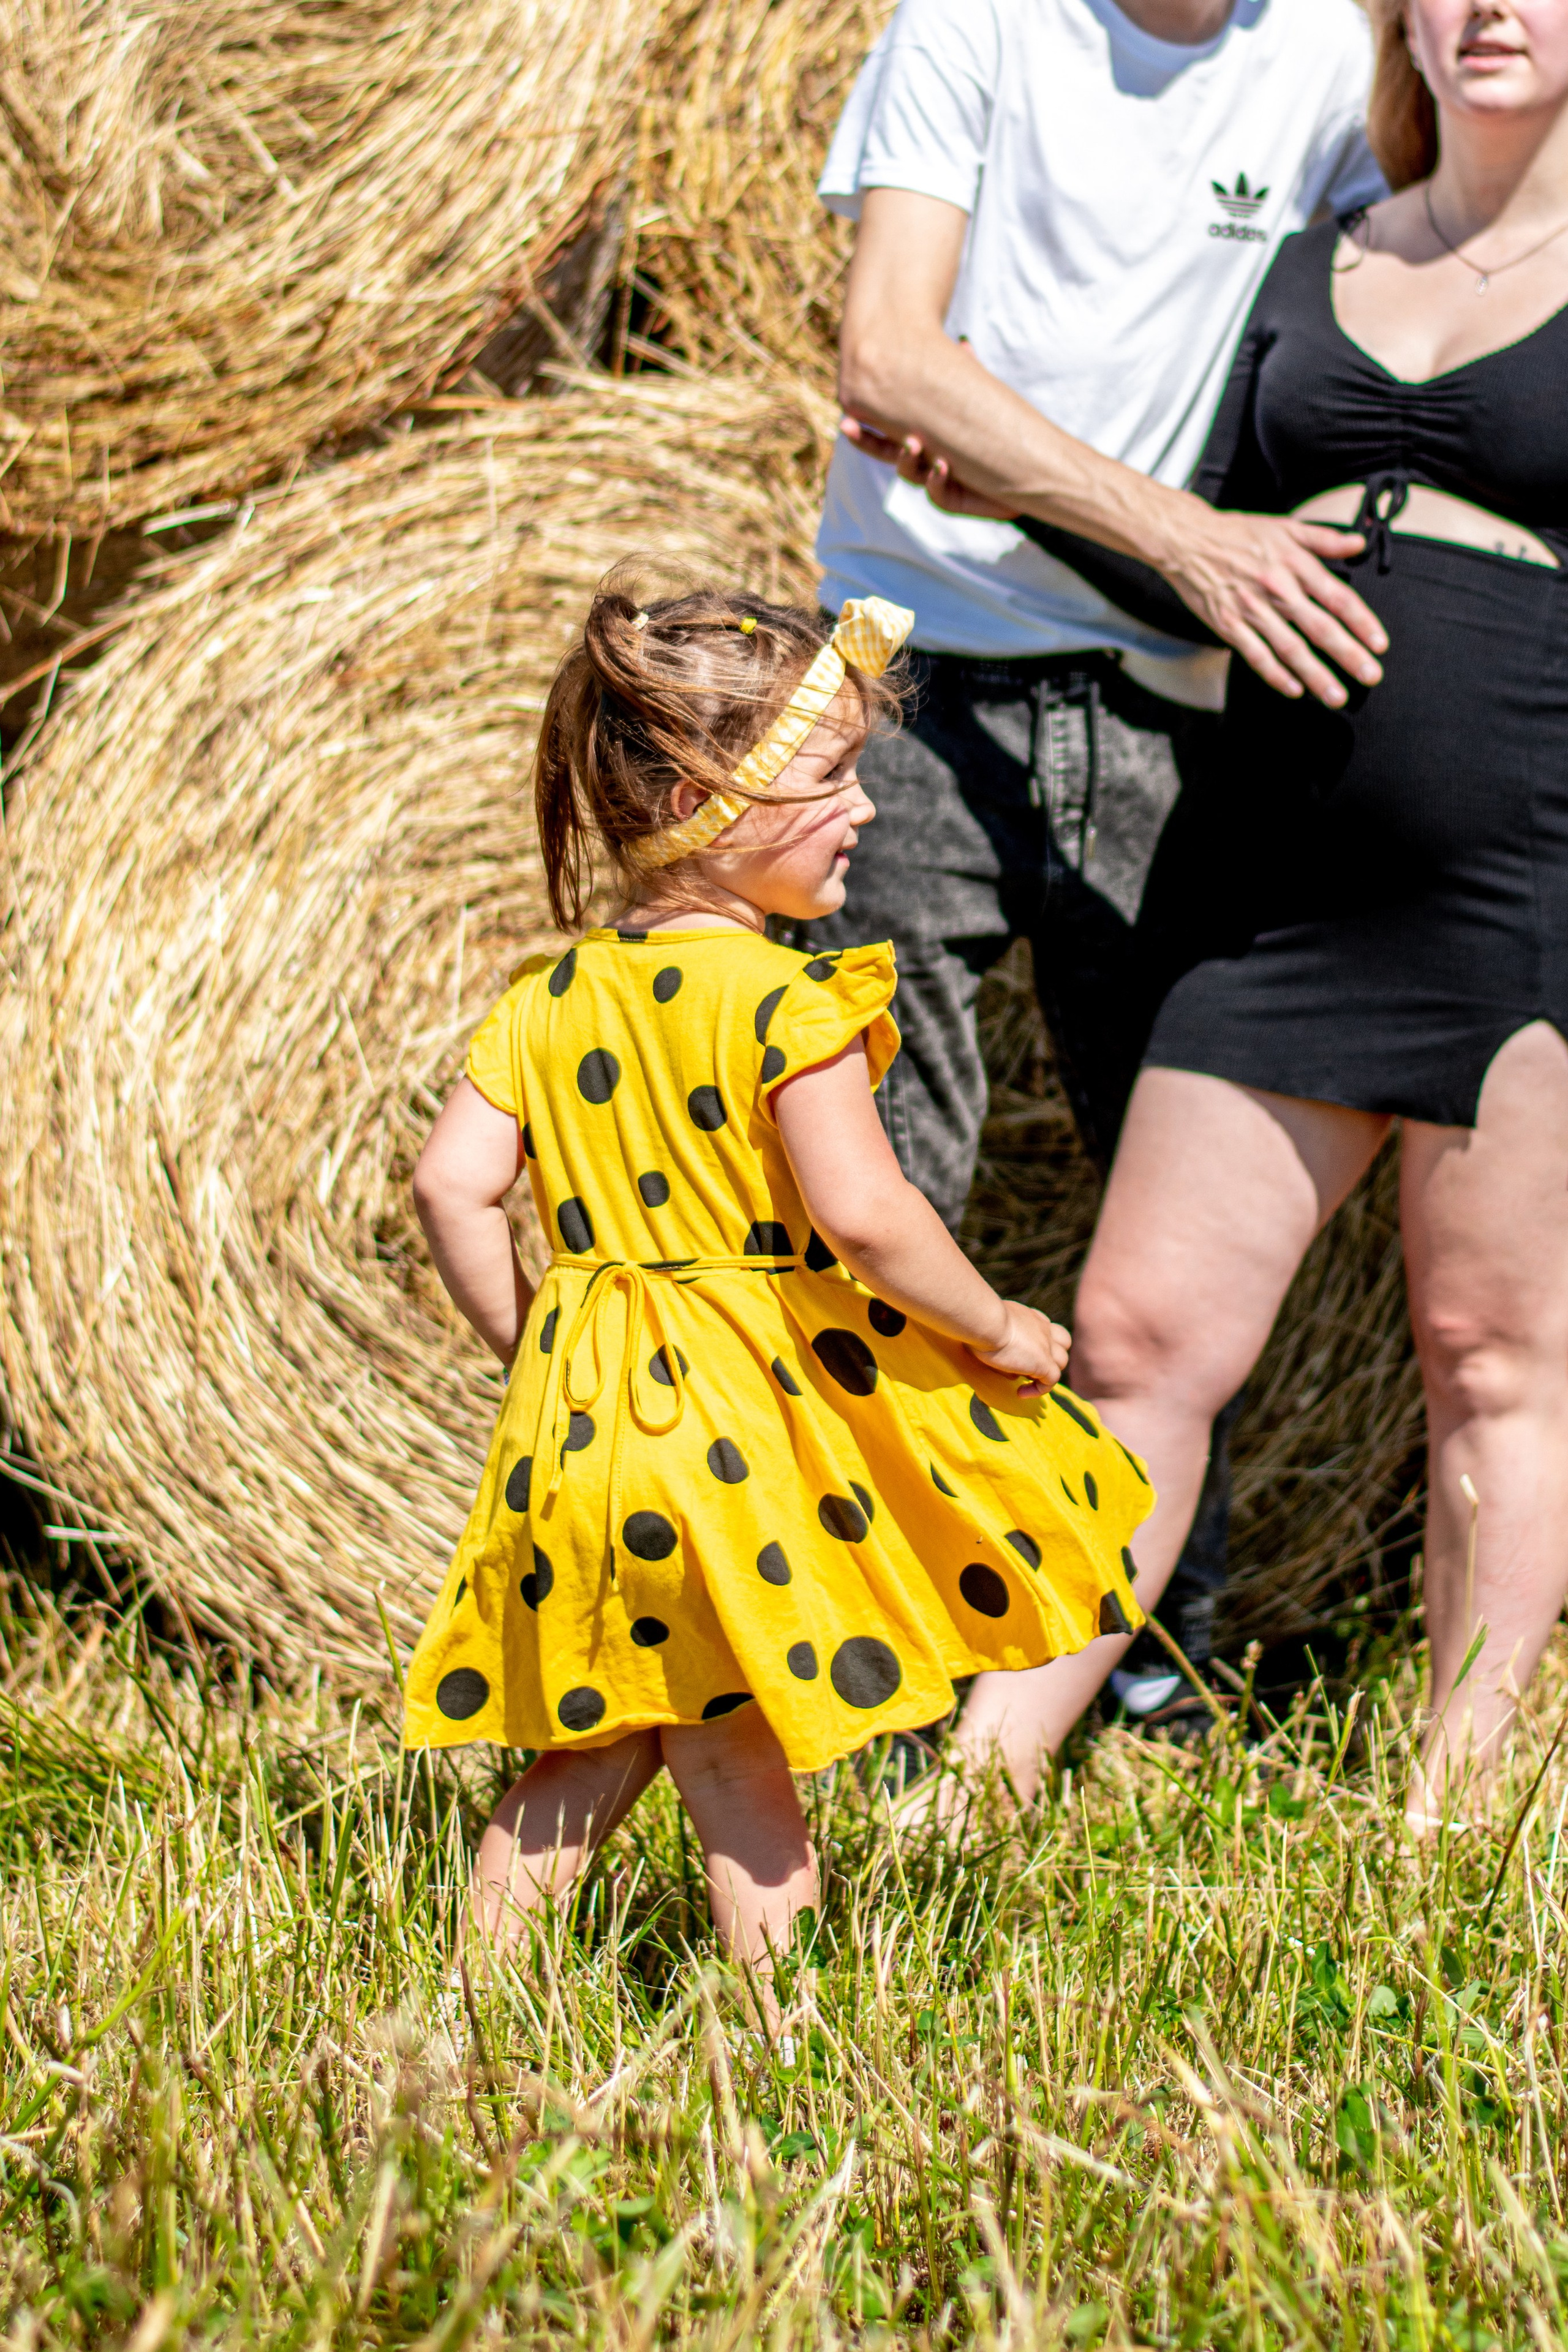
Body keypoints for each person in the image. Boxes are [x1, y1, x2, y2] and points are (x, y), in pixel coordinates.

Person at [908, 0, 1568, 1820]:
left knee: (1493, 1360)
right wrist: (1020, 498)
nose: (1488, 8)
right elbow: (1207, 551)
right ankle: (979, 1789)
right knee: (1136, 1341)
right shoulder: (1319, 253)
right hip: (1275, 895)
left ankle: (1459, 1819)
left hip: (1525, 890)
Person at [401, 579, 1152, 2005]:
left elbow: (450, 1186)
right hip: (728, 1445)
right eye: (829, 778)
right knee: (734, 1735)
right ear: (702, 796)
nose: (864, 809)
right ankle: (790, 2040)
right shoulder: (785, 1003)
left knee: (612, 1731)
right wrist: (995, 1325)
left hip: (592, 1432)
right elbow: (867, 1216)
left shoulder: (549, 1002)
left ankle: (471, 2010)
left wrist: (537, 1345)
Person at [801, 0, 1391, 1711]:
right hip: (915, 678)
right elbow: (890, 362)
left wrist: (1035, 481)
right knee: (878, 1178)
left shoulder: (1336, 68)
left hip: (1183, 709)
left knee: (1176, 1203)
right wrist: (1178, 534)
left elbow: (1431, 284)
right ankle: (875, 1659)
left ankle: (1150, 1669)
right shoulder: (969, 26)